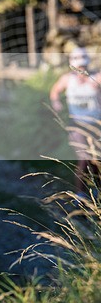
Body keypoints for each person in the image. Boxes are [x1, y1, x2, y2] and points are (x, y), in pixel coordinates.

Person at [49, 46, 101, 194]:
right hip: (77, 126)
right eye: (78, 68)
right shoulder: (67, 79)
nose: (81, 72)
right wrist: (56, 103)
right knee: (84, 158)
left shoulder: (96, 77)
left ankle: (96, 191)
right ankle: (80, 195)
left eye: (83, 68)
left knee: (95, 160)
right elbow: (55, 91)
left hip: (96, 125)